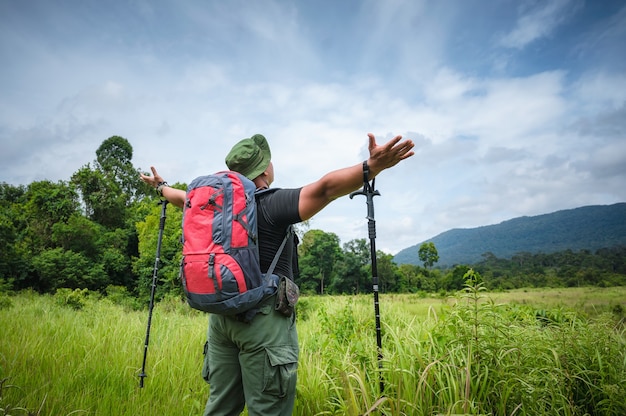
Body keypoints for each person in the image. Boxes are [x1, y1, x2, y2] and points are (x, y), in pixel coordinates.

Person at [140, 132, 414, 416]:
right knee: (268, 410)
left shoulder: (211, 206)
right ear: (266, 168)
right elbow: (325, 189)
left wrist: (161, 186)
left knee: (220, 407)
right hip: (263, 320)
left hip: (220, 320)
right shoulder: (272, 204)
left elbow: (180, 198)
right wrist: (371, 166)